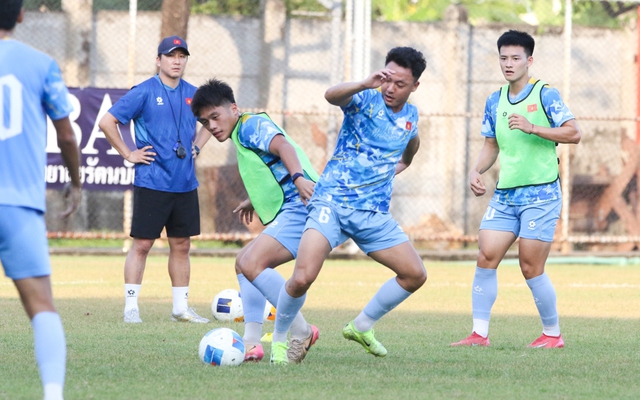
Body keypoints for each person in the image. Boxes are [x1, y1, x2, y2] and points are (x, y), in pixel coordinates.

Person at [269, 47, 428, 365]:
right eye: (387, 79)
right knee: (302, 277)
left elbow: (411, 140)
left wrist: (404, 162)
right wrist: (363, 83)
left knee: (414, 274)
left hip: (372, 214)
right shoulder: (365, 98)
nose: (390, 88)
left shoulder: (411, 115)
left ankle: (361, 326)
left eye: (400, 84)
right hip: (331, 203)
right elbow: (331, 95)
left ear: (415, 86)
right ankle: (280, 342)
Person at [451, 30, 580, 349]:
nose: (508, 64)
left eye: (515, 58)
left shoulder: (545, 94)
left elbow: (573, 133)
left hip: (541, 194)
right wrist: (476, 170)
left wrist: (533, 127)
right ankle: (479, 334)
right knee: (486, 255)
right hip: (506, 195)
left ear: (529, 61)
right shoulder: (494, 100)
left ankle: (553, 335)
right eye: (503, 58)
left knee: (530, 266)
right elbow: (490, 145)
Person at [190, 79, 320, 363]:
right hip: (293, 207)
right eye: (205, 122)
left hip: (302, 206)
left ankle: (302, 330)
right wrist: (255, 199)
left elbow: (284, 147)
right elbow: (269, 167)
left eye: (215, 117)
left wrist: (299, 179)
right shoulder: (240, 134)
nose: (212, 126)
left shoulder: (250, 125)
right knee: (242, 263)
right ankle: (251, 343)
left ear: (233, 108)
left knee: (252, 263)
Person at [0, 1, 82, 399]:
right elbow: (66, 135)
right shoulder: (40, 64)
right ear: (20, 15)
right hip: (19, 206)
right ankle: (52, 394)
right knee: (41, 307)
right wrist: (76, 181)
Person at [99, 35, 209, 324]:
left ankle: (180, 309)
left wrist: (197, 146)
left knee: (182, 245)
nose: (177, 61)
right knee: (143, 245)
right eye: (171, 55)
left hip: (185, 183)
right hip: (152, 181)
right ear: (158, 60)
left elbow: (213, 119)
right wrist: (128, 153)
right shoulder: (144, 91)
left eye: (182, 56)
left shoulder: (194, 94)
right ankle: (131, 308)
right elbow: (107, 122)